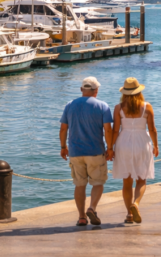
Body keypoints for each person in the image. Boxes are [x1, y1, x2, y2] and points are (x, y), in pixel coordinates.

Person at [60, 77, 113, 227]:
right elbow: (108, 129)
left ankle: (82, 217)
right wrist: (110, 148)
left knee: (79, 185)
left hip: (75, 152)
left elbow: (63, 128)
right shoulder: (103, 106)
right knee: (98, 183)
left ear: (81, 90)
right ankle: (92, 207)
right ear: (96, 91)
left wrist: (63, 147)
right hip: (95, 151)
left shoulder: (70, 105)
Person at [112, 77, 159, 224]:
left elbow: (115, 131)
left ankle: (129, 215)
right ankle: (136, 204)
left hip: (124, 142)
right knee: (141, 179)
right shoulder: (147, 107)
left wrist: (110, 148)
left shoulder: (119, 108)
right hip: (142, 142)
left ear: (124, 93)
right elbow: (152, 129)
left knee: (127, 181)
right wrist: (156, 145)